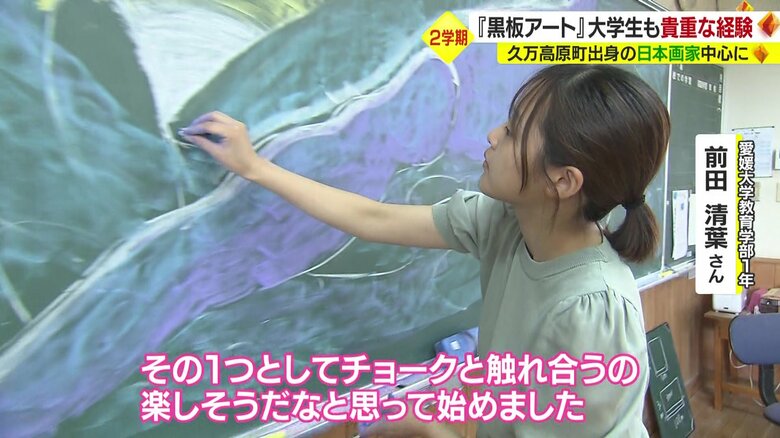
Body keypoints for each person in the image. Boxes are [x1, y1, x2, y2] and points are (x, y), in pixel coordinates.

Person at [180, 64, 670, 437]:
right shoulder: (504, 223)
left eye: (514, 131)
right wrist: (255, 167)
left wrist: (434, 432)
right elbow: (373, 219)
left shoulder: (591, 312)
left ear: (562, 181)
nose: (493, 135)